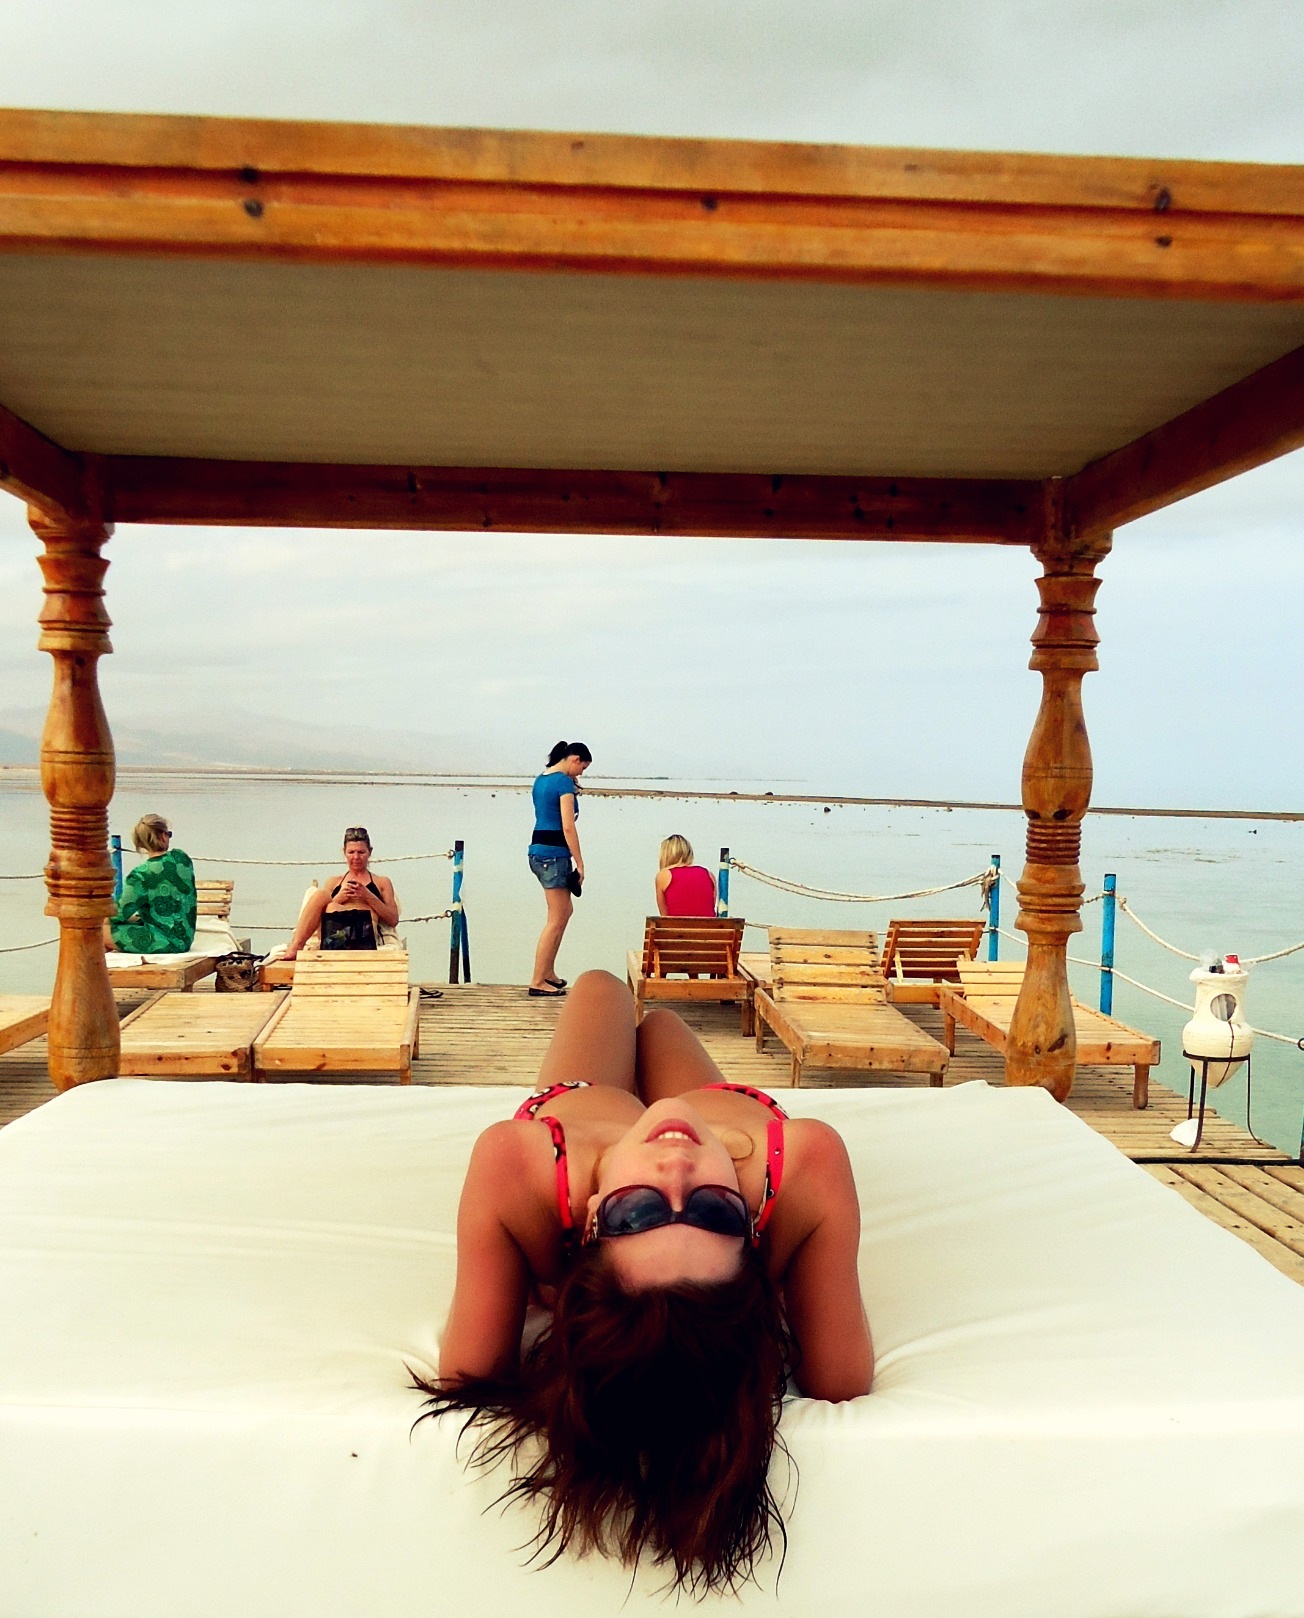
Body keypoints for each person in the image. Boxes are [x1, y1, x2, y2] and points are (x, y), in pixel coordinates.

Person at [416, 970, 872, 1594]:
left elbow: (467, 1377)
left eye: (636, 1212)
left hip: (582, 1100)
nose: (677, 1168)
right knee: (658, 1023)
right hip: (725, 1111)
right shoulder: (805, 1163)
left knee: (601, 987)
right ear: (752, 1237)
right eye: (714, 1210)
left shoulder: (516, 1163)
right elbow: (841, 1380)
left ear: (590, 1224)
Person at [527, 741, 591, 997]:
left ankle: (548, 972)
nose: (581, 774)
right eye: (582, 767)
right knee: (556, 919)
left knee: (564, 912)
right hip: (553, 855)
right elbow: (567, 826)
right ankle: (537, 980)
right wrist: (580, 863)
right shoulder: (563, 782)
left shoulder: (541, 779)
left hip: (538, 852)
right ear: (575, 759)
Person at [282, 827, 400, 959]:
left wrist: (367, 896)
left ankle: (297, 946)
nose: (356, 857)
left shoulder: (381, 882)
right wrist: (339, 898)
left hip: (362, 932)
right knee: (322, 896)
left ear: (370, 852)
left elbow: (393, 919)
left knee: (334, 905)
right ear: (344, 852)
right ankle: (296, 946)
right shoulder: (334, 882)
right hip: (334, 931)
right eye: (351, 852)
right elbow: (319, 914)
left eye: (361, 852)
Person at [103, 814, 197, 954]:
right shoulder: (182, 858)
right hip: (184, 939)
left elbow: (119, 913)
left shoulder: (141, 875)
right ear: (163, 836)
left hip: (163, 941)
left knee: (99, 930)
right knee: (129, 921)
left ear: (141, 843)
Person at [654, 834, 717, 917]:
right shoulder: (709, 874)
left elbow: (664, 916)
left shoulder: (664, 876)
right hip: (709, 925)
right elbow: (709, 906)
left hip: (676, 925)